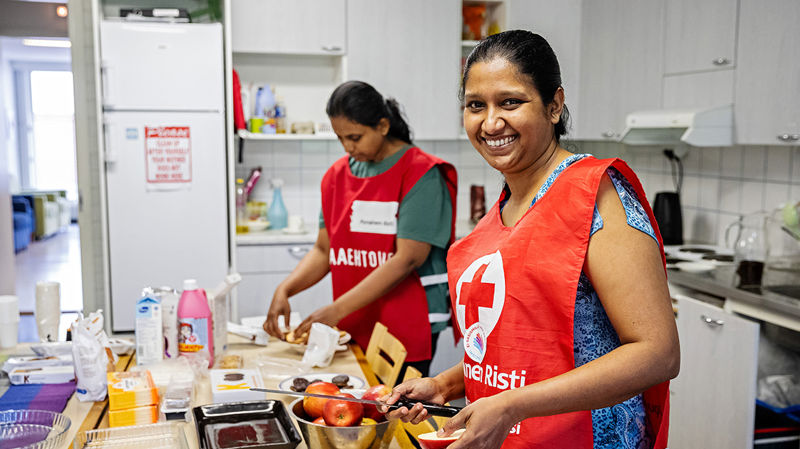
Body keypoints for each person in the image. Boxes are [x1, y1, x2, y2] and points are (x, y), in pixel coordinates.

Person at [384, 30, 680, 449]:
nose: (490, 123)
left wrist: (511, 406)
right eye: (475, 106)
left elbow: (657, 353)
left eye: (510, 102)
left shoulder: (596, 198)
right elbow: (523, 352)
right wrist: (446, 385)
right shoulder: (504, 209)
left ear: (554, 105)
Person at [263, 81, 457, 377]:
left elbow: (408, 258)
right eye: (341, 138)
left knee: (396, 415)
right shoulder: (336, 176)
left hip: (405, 322)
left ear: (382, 126)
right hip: (356, 319)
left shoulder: (421, 174)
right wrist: (285, 290)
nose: (348, 147)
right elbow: (323, 250)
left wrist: (336, 310)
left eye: (355, 137)